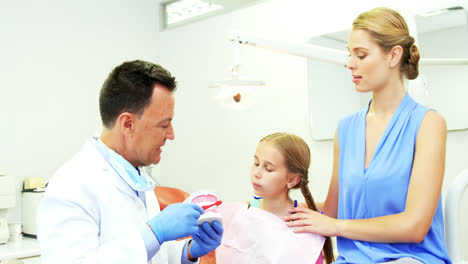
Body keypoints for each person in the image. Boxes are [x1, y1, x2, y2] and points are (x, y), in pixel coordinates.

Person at [285, 7, 451, 264]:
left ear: (393, 55)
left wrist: (335, 226)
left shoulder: (427, 124)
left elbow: (415, 226)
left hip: (410, 259)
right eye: (350, 55)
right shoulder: (346, 128)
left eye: (361, 55)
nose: (350, 64)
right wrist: (275, 207)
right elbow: (333, 210)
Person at [37, 60, 223, 264]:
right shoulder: (72, 186)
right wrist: (154, 233)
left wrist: (188, 251)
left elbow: (153, 254)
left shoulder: (136, 177)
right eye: (163, 125)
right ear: (128, 124)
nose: (171, 135)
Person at [216, 132, 334, 264]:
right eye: (256, 163)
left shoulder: (304, 228)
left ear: (292, 180)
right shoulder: (243, 213)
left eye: (268, 169)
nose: (256, 173)